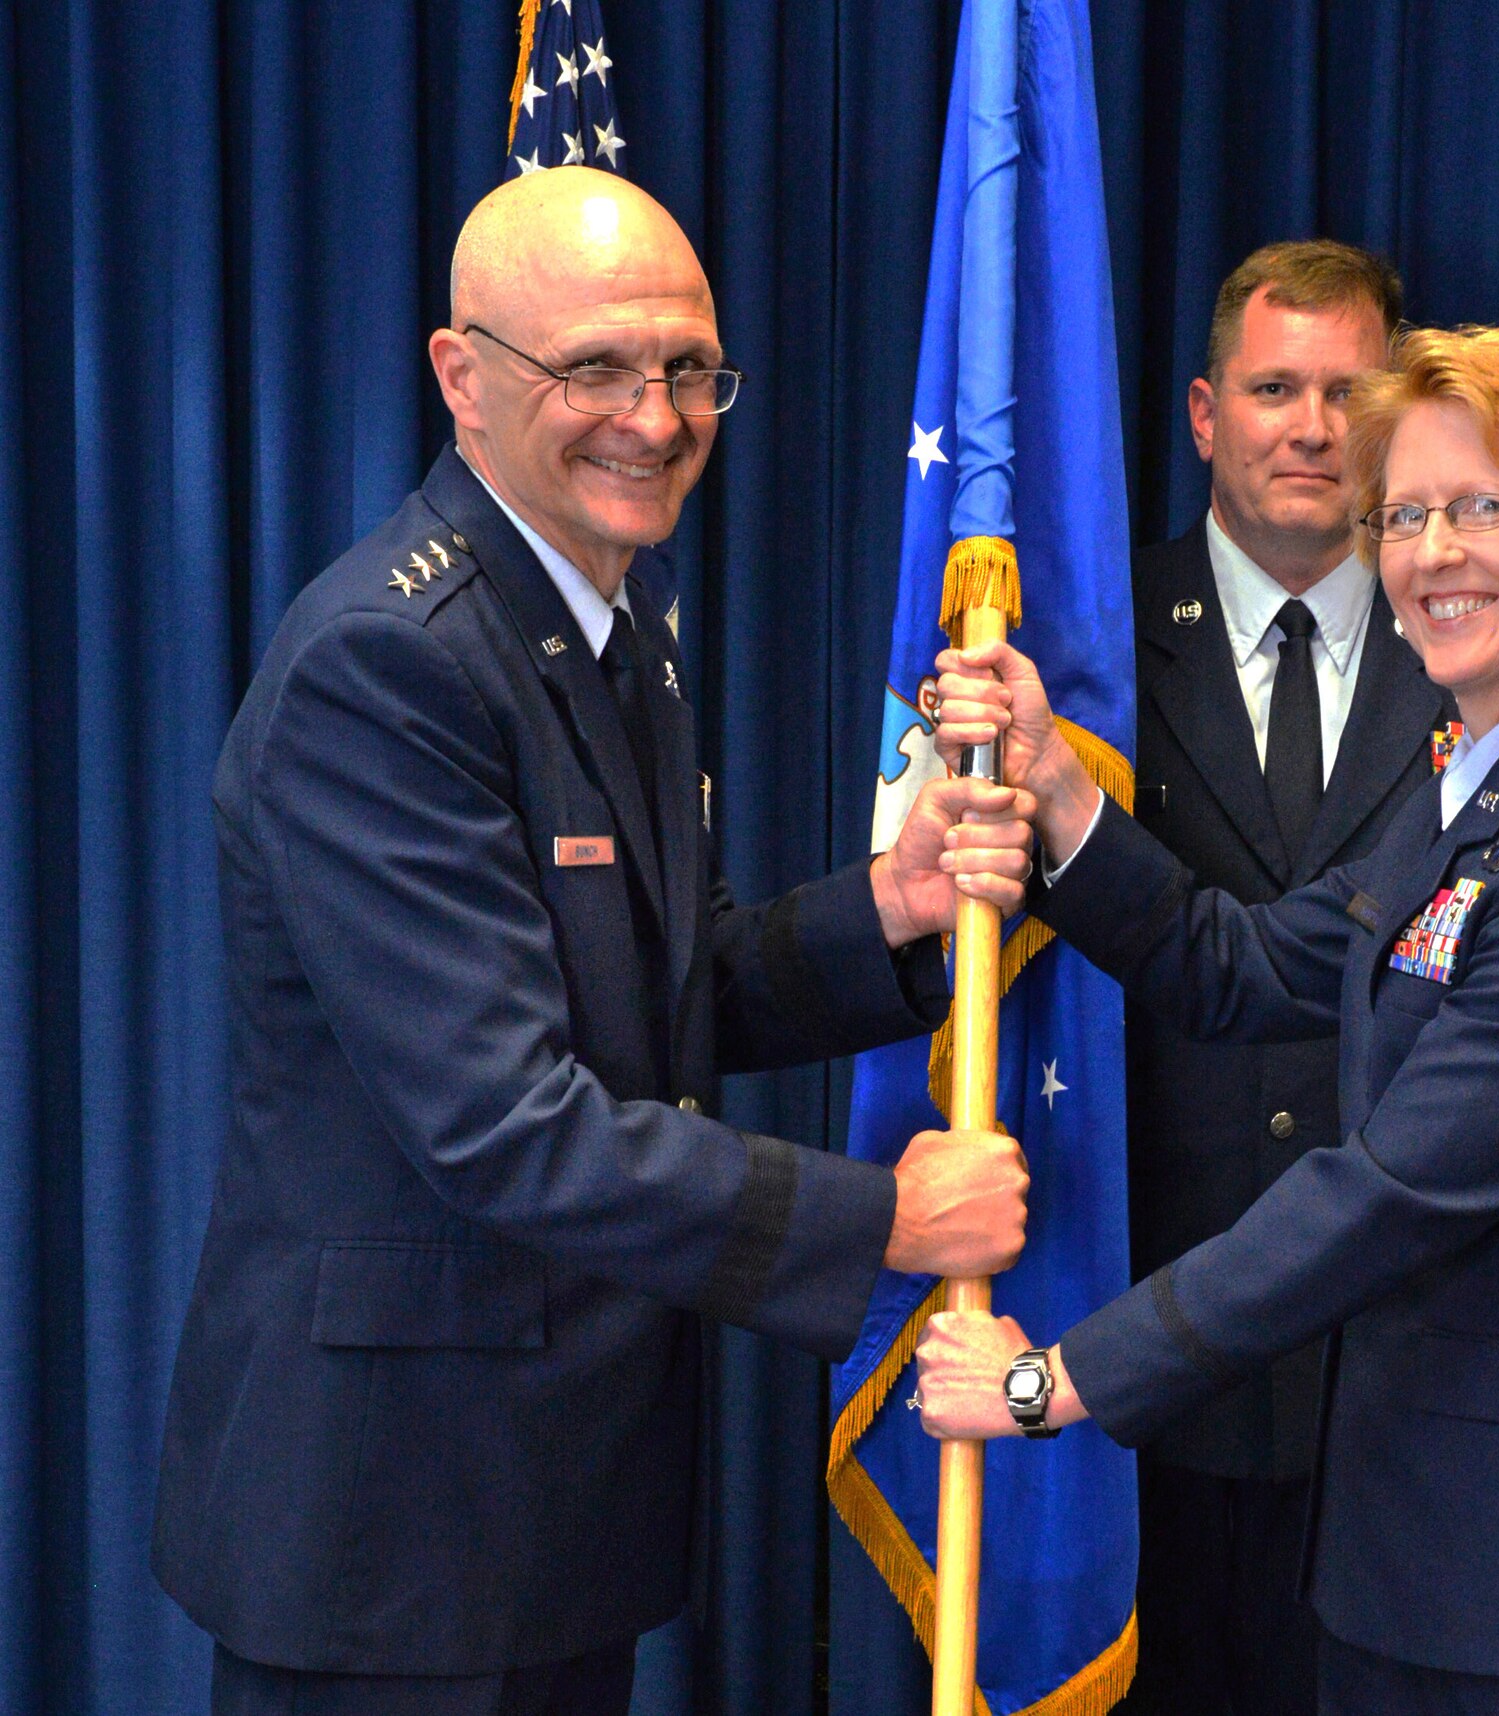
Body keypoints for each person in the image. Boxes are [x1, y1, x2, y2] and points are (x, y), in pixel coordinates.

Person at [154, 166, 1034, 1716]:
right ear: (462, 377)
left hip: (547, 1498)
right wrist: (877, 1221)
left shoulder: (607, 615)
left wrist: (878, 911)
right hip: (400, 1534)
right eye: (596, 368)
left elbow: (650, 984)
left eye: (688, 370)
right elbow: (503, 1121)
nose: (656, 413)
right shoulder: (392, 662)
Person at [919, 325, 1499, 1714]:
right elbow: (1238, 967)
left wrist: (1050, 1383)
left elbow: (1391, 1192)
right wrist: (1060, 793)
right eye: (1407, 515)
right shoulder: (1472, 805)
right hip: (1409, 1575)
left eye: (1486, 507)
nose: (1433, 554)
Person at [1120, 239, 1448, 1715]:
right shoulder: (1084, 650)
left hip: (1401, 1360)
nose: (1312, 427)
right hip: (1143, 1339)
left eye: (1348, 390)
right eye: (1272, 390)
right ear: (1204, 415)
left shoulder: (1481, 652)